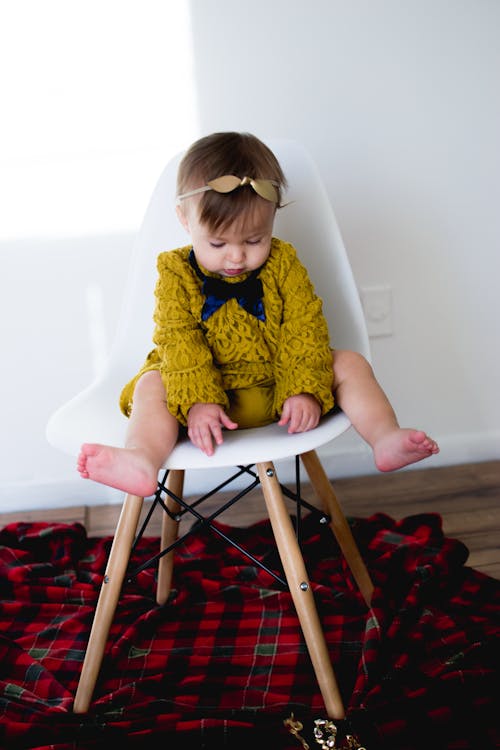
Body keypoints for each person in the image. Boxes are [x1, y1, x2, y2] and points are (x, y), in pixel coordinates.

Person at [77, 132, 439, 497]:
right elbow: (178, 338)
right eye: (218, 244)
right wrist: (199, 400)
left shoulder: (283, 263)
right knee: (151, 384)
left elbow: (305, 327)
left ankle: (383, 436)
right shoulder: (175, 271)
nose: (236, 257)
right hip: (202, 400)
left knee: (350, 363)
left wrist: (302, 390)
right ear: (185, 221)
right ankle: (142, 458)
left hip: (275, 388)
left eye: (254, 241)